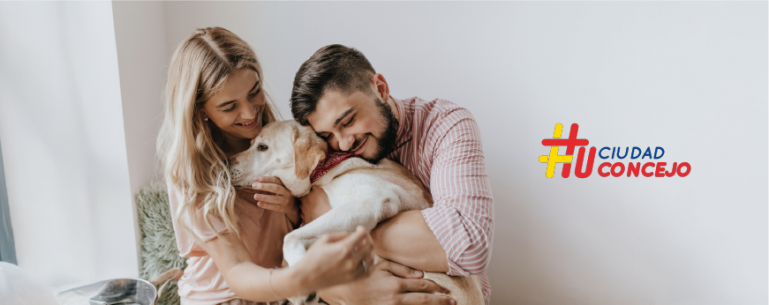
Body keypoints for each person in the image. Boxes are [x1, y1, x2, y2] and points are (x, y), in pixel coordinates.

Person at [157, 28, 374, 305]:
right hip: (224, 297)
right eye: (229, 106)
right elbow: (236, 270)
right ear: (200, 110)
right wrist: (302, 279)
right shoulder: (191, 173)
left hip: (283, 288)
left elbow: (306, 222)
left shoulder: (280, 140)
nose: (249, 113)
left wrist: (292, 209)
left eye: (254, 91)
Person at [291, 45, 495, 305]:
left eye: (348, 121)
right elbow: (302, 261)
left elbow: (468, 246)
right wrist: (349, 292)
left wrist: (331, 219)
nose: (342, 144)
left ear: (381, 89)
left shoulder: (446, 125)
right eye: (328, 134)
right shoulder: (325, 156)